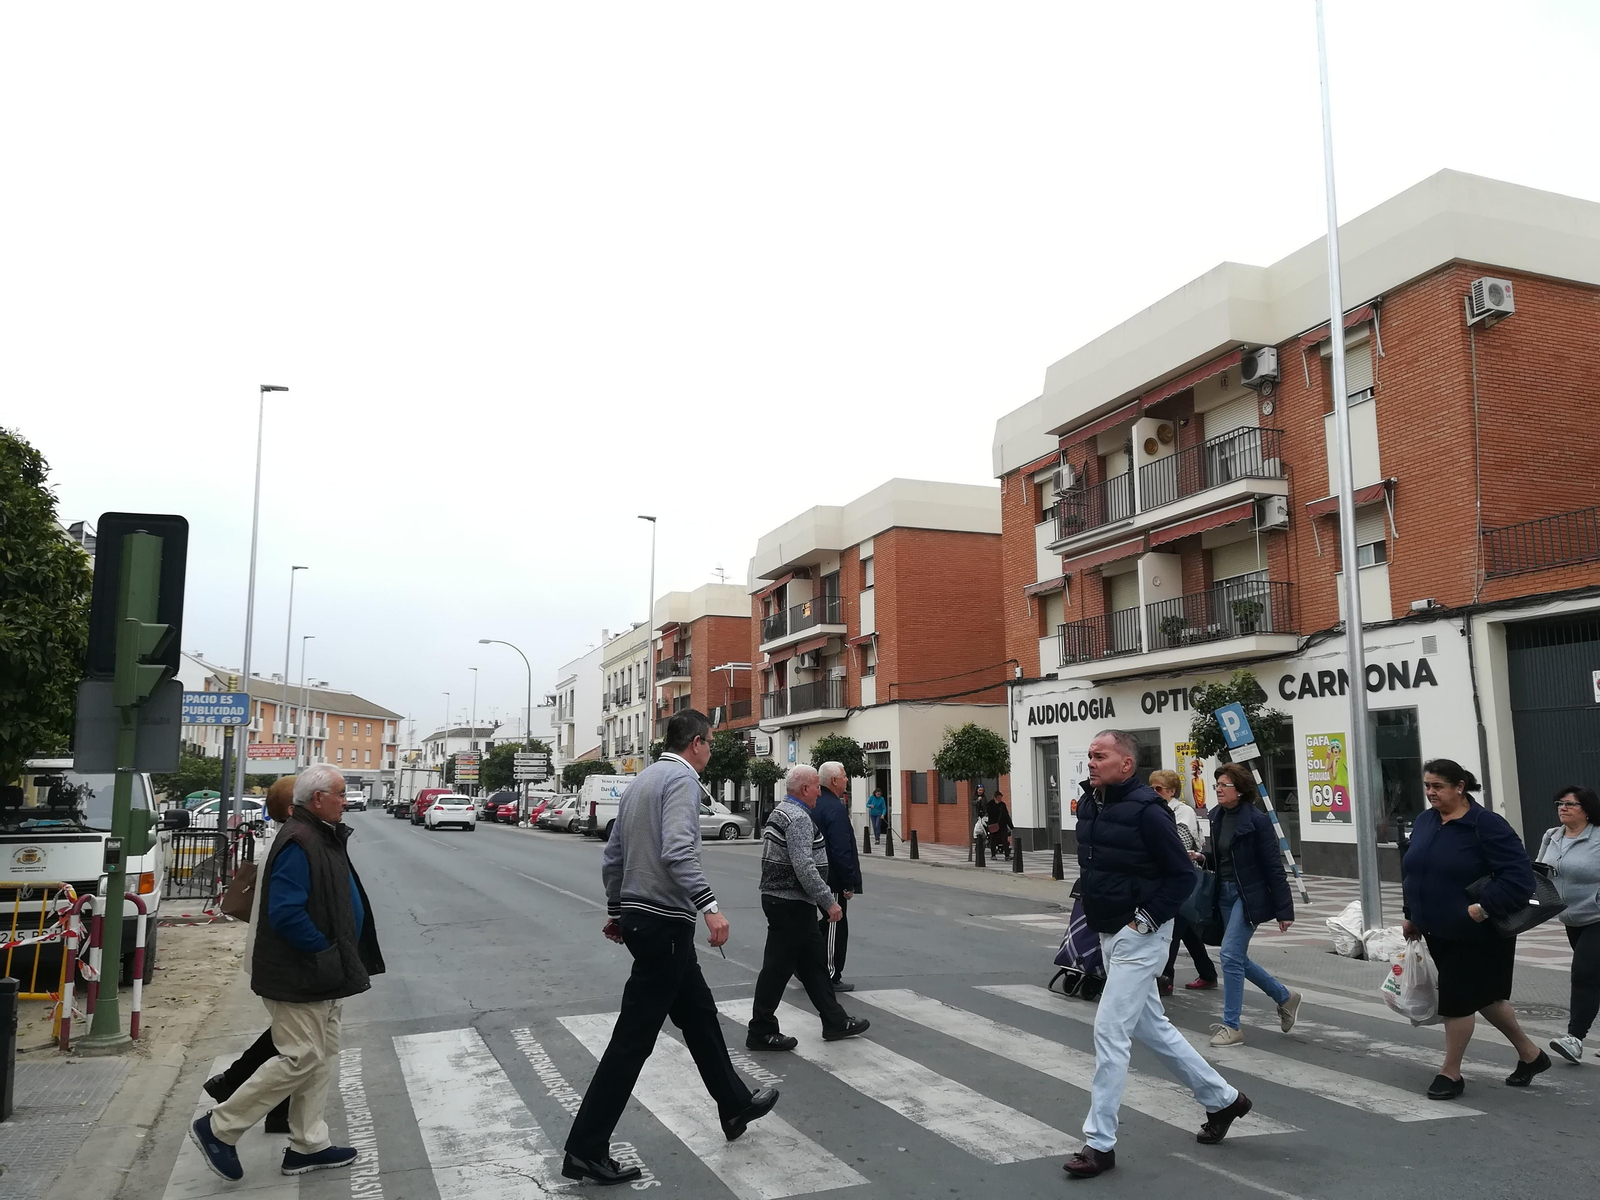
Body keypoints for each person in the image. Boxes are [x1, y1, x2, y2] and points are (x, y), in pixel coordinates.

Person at [564, 711, 777, 1185]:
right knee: (633, 1040)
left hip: (644, 919)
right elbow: (678, 850)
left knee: (699, 1015)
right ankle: (585, 1148)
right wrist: (711, 907)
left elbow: (613, 855)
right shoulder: (681, 781)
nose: (711, 751)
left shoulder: (640, 782)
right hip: (665, 923)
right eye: (711, 743)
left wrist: (618, 910)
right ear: (696, 743)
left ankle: (734, 1104)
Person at [1063, 730, 1252, 1179]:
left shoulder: (1149, 811)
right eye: (1090, 756)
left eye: (1100, 756)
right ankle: (1225, 1100)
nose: (1091, 763)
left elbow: (1182, 875)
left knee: (1110, 1031)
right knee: (1153, 1027)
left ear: (1126, 764)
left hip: (1141, 934)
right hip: (1108, 929)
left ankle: (1099, 1144)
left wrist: (1145, 920)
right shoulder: (1090, 802)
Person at [190, 765, 383, 1183]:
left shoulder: (320, 834)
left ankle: (308, 1144)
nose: (346, 801)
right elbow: (286, 912)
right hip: (303, 973)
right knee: (302, 1056)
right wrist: (323, 952)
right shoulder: (300, 840)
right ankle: (219, 1127)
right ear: (318, 799)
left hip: (327, 971)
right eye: (340, 793)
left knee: (321, 1057)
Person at [1402, 758, 1548, 1099]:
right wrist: (1411, 913)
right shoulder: (1426, 821)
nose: (1431, 792)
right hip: (1436, 928)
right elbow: (1413, 870)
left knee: (1457, 1001)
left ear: (1459, 787)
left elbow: (1519, 878)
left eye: (1438, 786)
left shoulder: (1486, 824)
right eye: (1427, 786)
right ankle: (1531, 1055)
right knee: (1484, 997)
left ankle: (1450, 1073)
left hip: (1476, 932)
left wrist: (1484, 908)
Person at [747, 764, 870, 1049]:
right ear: (804, 789)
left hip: (784, 900)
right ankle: (761, 1030)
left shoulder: (781, 811)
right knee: (777, 969)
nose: (818, 792)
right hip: (790, 902)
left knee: (814, 965)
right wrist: (829, 901)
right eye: (816, 786)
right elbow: (804, 866)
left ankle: (835, 1020)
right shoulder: (798, 818)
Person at [203, 776, 297, 1135]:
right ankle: (228, 1107)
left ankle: (248, 1091)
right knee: (297, 1039)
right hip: (284, 958)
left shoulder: (283, 838)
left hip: (274, 955)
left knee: (292, 1035)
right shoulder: (292, 844)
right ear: (294, 808)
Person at [1205, 764, 1299, 1046]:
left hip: (1248, 896)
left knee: (1230, 955)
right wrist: (1201, 857)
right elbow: (1220, 857)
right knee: (1236, 957)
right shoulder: (1216, 816)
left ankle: (1232, 1026)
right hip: (1223, 893)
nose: (1219, 789)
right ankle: (1285, 997)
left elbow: (1273, 867)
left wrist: (1284, 910)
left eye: (1224, 785)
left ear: (1241, 790)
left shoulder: (1257, 821)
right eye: (1217, 785)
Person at [1536, 785, 1600, 1064]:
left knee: (1584, 973)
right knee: (1595, 977)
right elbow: (1540, 870)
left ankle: (1574, 1038)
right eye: (1559, 803)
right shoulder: (1552, 836)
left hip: (1597, 917)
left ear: (1587, 809)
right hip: (1571, 918)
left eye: (1570, 804)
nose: (1563, 808)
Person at [1149, 769, 1216, 996]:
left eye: (1158, 788)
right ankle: (1208, 973)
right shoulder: (1157, 809)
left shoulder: (1182, 811)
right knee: (1186, 929)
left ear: (1172, 791)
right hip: (1165, 877)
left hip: (1182, 878)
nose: (1154, 792)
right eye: (1152, 788)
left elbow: (1180, 844)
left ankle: (1165, 978)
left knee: (1174, 928)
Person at [813, 762, 863, 992]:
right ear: (834, 780)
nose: (846, 780)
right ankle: (830, 974)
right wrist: (848, 881)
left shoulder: (814, 804)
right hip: (832, 879)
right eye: (844, 776)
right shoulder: (835, 808)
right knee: (835, 924)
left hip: (815, 876)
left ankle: (806, 966)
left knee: (820, 924)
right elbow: (841, 848)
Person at [986, 790, 1014, 860]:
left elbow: (1006, 815)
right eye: (998, 797)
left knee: (1005, 840)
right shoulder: (990, 804)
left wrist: (1011, 825)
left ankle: (1007, 855)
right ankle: (993, 855)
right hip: (994, 825)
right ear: (995, 797)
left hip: (1002, 825)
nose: (1000, 799)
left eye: (1001, 797)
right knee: (993, 840)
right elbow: (989, 814)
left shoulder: (1002, 805)